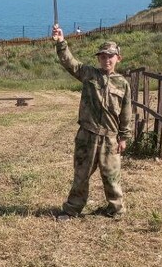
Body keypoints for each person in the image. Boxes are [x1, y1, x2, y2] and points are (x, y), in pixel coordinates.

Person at [51, 24, 131, 220]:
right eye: (102, 56)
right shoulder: (88, 74)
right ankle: (72, 209)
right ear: (98, 59)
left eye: (110, 56)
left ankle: (116, 209)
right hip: (87, 135)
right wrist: (61, 42)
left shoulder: (123, 84)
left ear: (118, 58)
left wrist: (124, 137)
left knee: (112, 177)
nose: (106, 60)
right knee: (81, 175)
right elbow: (69, 62)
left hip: (110, 139)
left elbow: (126, 112)